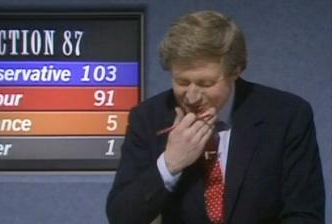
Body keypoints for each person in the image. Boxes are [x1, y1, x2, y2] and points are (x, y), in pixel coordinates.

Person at [106, 10, 325, 224]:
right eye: (182, 82)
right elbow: (121, 216)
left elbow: (304, 214)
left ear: (236, 71)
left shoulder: (287, 115)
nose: (191, 97)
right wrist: (171, 163)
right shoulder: (148, 118)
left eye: (206, 83)